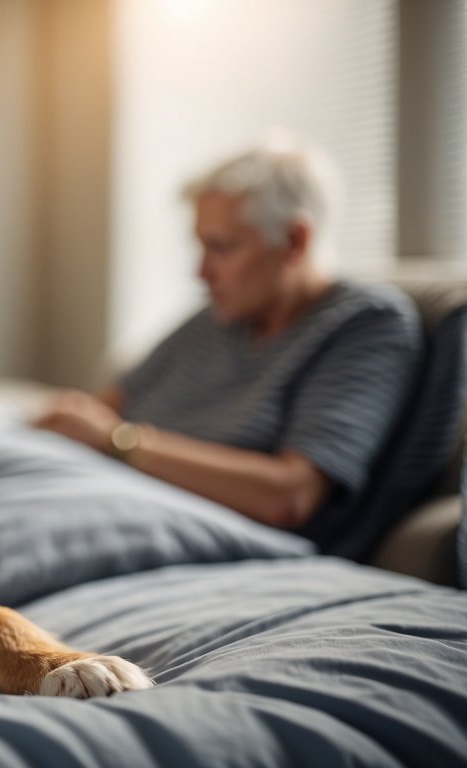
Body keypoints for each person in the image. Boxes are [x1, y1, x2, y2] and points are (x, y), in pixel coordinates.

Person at [34, 137, 421, 539]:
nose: (201, 272)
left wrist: (121, 443)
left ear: (295, 240)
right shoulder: (217, 321)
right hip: (107, 492)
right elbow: (104, 407)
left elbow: (290, 495)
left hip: (192, 528)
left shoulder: (365, 323)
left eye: (221, 247)